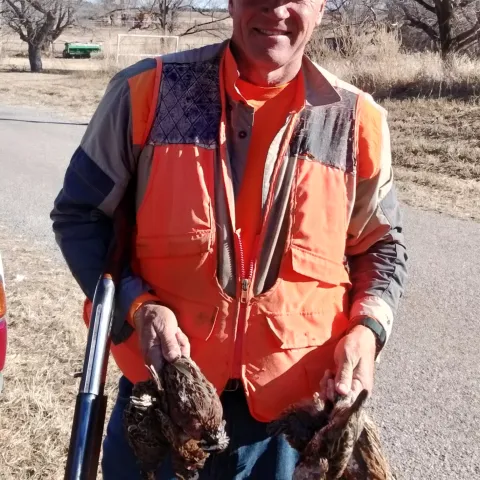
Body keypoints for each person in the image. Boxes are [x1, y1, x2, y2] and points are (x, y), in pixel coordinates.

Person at [51, 0, 408, 478]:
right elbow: (80, 215)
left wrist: (368, 330)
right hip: (162, 410)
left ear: (321, 8)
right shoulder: (147, 92)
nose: (275, 8)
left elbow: (381, 245)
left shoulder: (357, 120)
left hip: (288, 430)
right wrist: (138, 307)